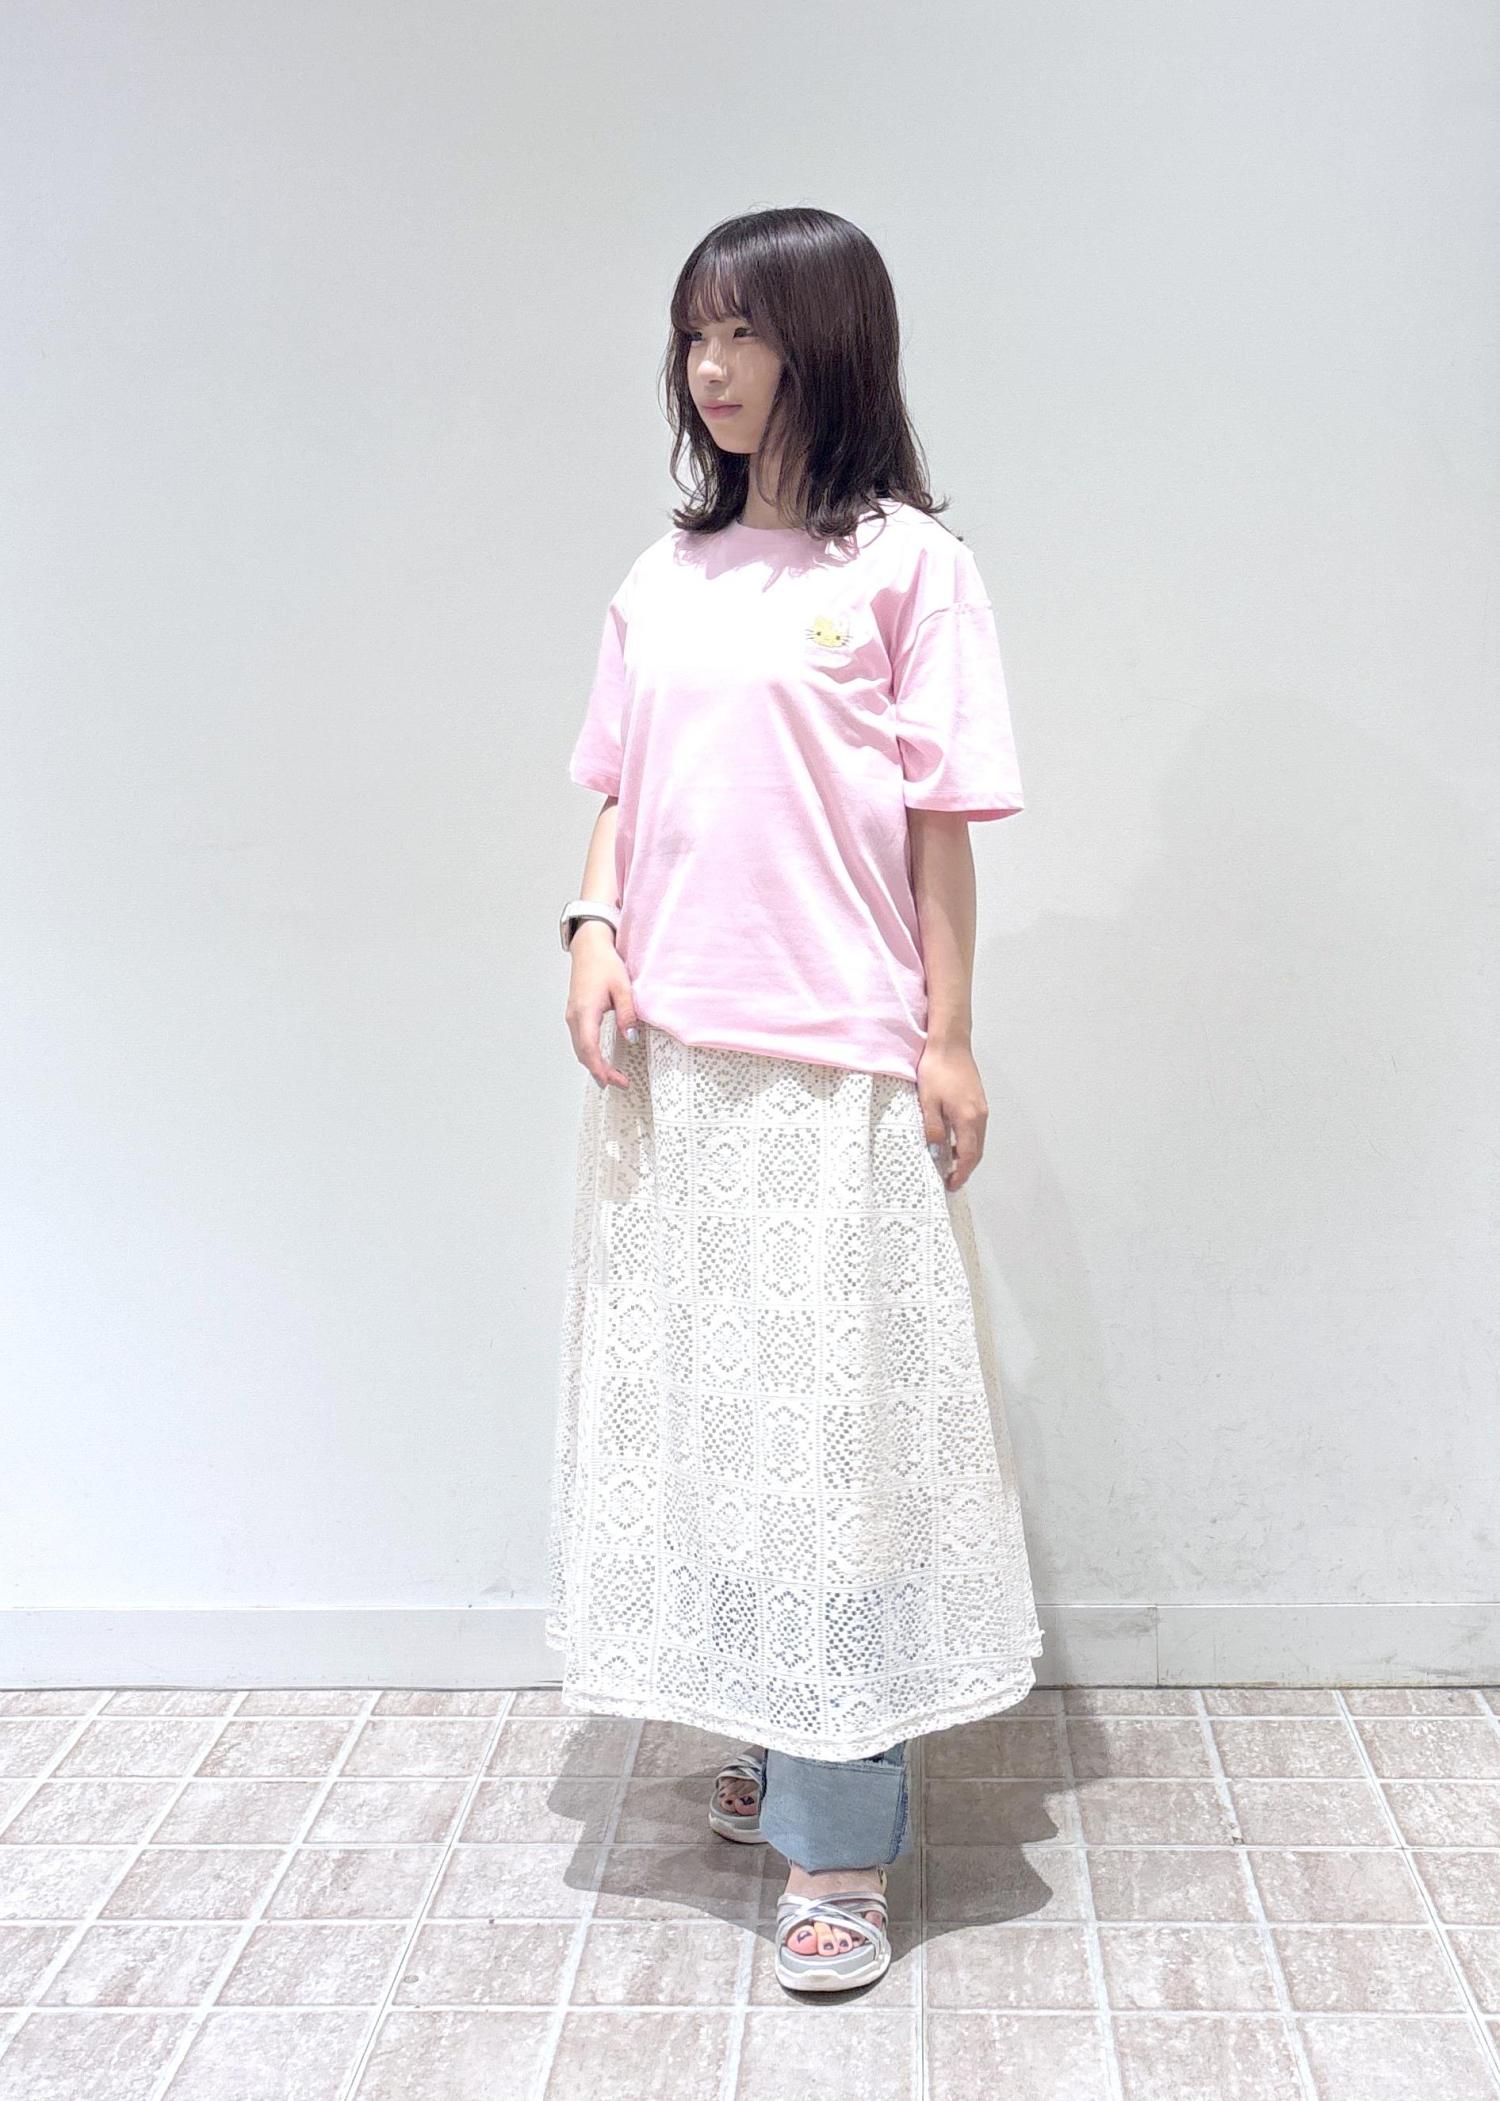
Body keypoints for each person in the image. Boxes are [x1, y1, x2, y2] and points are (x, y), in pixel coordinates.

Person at [546, 205, 1044, 1994]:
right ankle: (781, 1719)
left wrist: (950, 1035)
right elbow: (622, 788)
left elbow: (940, 826)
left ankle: (842, 1838)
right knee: (723, 1424)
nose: (713, 367)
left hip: (836, 1060)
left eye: (746, 332)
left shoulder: (911, 568)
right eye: (695, 334)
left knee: (839, 1441)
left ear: (829, 343)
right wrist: (592, 927)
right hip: (677, 1063)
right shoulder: (664, 575)